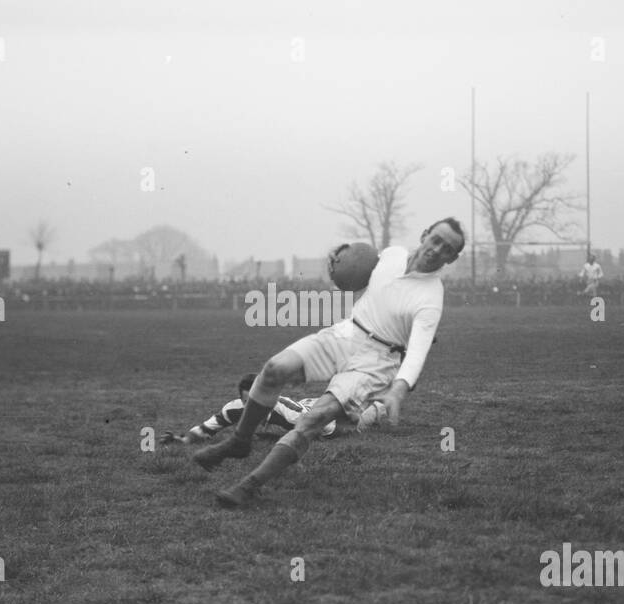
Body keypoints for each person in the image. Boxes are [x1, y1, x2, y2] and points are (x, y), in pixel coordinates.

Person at [190, 217, 464, 507]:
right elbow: (353, 268)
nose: (437, 249)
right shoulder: (392, 254)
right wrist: (339, 257)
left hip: (378, 360)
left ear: (453, 258)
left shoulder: (431, 297)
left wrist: (400, 387)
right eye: (435, 239)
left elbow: (419, 350)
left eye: (447, 248)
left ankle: (249, 486)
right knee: (274, 369)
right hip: (347, 333)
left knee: (314, 419)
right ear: (424, 235)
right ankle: (240, 441)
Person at [160, 374, 342, 445]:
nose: (253, 406)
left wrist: (273, 438)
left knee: (369, 412)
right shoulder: (233, 410)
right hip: (309, 404)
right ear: (241, 399)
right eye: (248, 401)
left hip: (333, 412)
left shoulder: (290, 415)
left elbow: (326, 431)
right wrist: (181, 440)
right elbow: (206, 429)